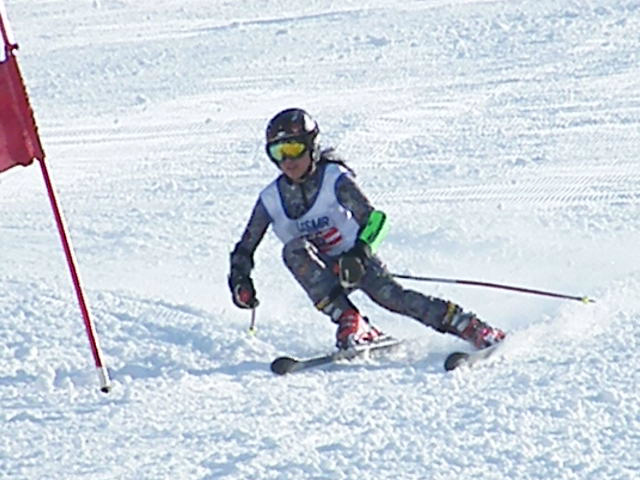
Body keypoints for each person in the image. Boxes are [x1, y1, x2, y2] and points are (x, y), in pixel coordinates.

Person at [228, 108, 505, 350]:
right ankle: (352, 321)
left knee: (394, 299)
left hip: (356, 261)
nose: (287, 161)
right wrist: (240, 278)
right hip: (322, 271)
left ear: (311, 146)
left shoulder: (333, 179)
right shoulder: (271, 199)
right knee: (293, 250)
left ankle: (470, 326)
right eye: (278, 152)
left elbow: (376, 220)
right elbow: (245, 248)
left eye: (294, 149)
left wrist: (359, 253)